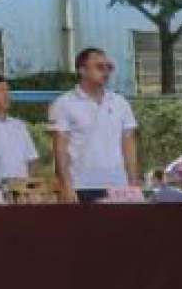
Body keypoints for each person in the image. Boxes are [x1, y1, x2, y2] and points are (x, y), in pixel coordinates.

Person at [49, 46, 140, 204]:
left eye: (108, 67)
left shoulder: (120, 103)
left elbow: (129, 145)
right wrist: (66, 185)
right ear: (82, 71)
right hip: (81, 186)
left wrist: (133, 183)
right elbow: (60, 149)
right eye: (99, 67)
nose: (106, 72)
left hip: (118, 185)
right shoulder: (64, 103)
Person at [0, 75, 40, 197]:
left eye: (7, 91)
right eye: (0, 91)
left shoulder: (19, 125)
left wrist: (30, 188)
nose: (7, 95)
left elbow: (32, 159)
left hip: (22, 191)